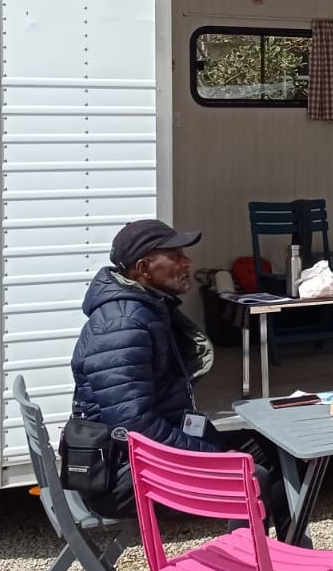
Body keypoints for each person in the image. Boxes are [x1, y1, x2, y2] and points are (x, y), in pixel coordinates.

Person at [69, 219, 289, 537]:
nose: (187, 262)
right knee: (250, 475)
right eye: (174, 256)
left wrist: (210, 447)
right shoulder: (123, 323)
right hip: (120, 476)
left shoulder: (147, 306)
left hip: (140, 458)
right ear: (143, 268)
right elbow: (134, 426)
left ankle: (289, 567)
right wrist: (212, 456)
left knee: (275, 452)